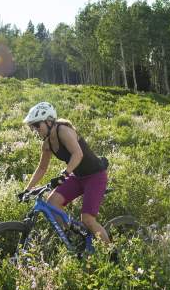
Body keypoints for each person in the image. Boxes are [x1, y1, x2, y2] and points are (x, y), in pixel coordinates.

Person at [20, 102, 110, 243]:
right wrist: (27, 189)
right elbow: (42, 168)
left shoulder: (63, 130)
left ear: (49, 121)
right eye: (33, 126)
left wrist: (65, 173)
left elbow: (77, 154)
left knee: (87, 219)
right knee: (52, 203)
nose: (36, 129)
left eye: (37, 125)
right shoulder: (47, 144)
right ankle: (76, 239)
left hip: (95, 176)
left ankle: (112, 254)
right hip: (78, 176)